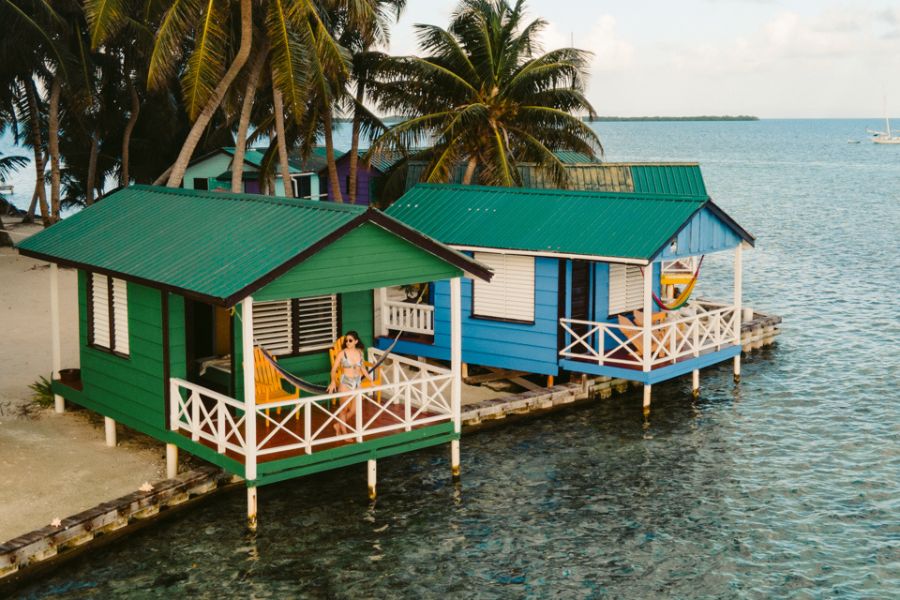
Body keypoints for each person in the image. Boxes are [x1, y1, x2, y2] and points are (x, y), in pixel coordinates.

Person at [327, 331, 373, 436]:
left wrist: (371, 381)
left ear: (356, 341)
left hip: (357, 383)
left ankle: (338, 425)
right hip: (345, 382)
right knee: (343, 410)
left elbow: (363, 369)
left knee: (353, 411)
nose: (347, 342)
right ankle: (344, 433)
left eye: (350, 340)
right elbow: (333, 370)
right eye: (346, 340)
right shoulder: (342, 353)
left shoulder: (360, 353)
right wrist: (333, 381)